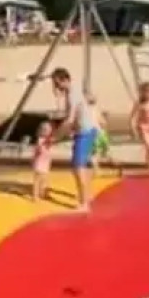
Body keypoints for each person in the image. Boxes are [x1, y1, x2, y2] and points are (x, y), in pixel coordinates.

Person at [50, 68, 98, 211]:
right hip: (87, 130)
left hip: (85, 132)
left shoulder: (72, 94)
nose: (56, 87)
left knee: (78, 167)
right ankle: (86, 196)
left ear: (64, 80)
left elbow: (70, 119)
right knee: (83, 165)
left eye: (57, 83)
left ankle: (84, 203)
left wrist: (56, 136)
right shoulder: (74, 92)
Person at [31, 119, 56, 202]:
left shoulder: (49, 140)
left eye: (48, 130)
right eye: (44, 129)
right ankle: (35, 195)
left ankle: (42, 193)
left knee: (44, 179)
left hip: (46, 162)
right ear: (40, 131)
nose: (46, 132)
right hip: (40, 163)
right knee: (37, 179)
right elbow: (39, 150)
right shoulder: (40, 140)